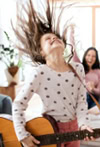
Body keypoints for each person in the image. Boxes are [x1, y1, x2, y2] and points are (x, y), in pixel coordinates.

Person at [12, 0, 94, 147]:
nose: (53, 38)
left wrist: (83, 125)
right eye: (47, 39)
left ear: (63, 45)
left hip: (74, 128)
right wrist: (22, 134)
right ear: (41, 52)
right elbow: (18, 104)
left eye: (56, 37)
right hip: (49, 129)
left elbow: (82, 102)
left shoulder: (78, 68)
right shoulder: (39, 72)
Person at [70, 27, 100, 109]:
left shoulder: (98, 72)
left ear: (96, 59)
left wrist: (93, 88)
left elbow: (99, 91)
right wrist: (72, 33)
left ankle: (88, 110)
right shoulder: (80, 66)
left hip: (92, 99)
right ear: (85, 56)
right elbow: (73, 50)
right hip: (81, 97)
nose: (90, 58)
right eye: (88, 55)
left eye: (93, 56)